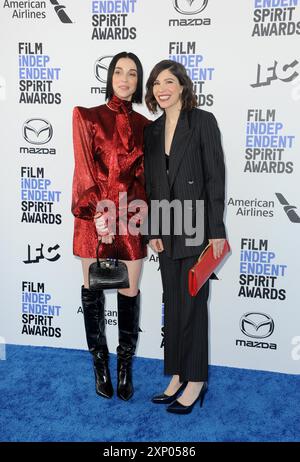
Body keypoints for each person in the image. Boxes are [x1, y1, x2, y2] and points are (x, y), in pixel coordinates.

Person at [143, 60, 226, 414]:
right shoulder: (151, 130)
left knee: (192, 305)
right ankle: (176, 374)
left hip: (196, 226)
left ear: (182, 86)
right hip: (166, 227)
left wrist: (216, 232)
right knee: (173, 305)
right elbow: (152, 185)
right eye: (156, 83)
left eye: (169, 82)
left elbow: (214, 179)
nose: (162, 88)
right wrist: (153, 230)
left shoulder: (203, 121)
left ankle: (195, 380)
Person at [71, 51, 149, 401]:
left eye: (132, 73)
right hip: (93, 218)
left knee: (129, 290)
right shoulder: (87, 117)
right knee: (93, 289)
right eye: (119, 71)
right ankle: (100, 362)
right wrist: (95, 212)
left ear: (138, 81)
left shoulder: (147, 126)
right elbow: (84, 169)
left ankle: (124, 366)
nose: (125, 78)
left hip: (130, 217)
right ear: (110, 77)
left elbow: (146, 180)